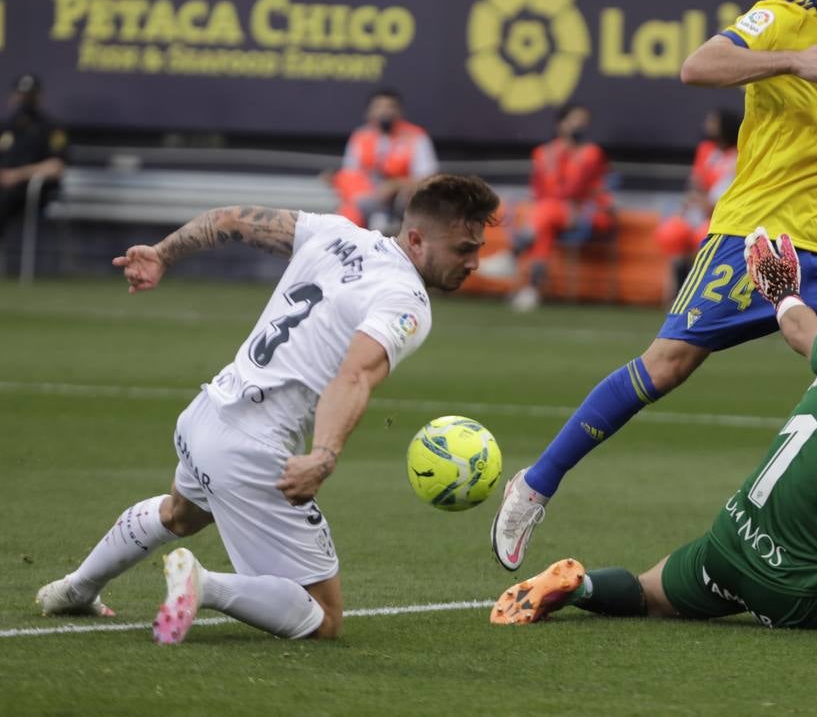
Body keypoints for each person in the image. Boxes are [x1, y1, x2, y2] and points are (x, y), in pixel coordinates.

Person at [491, 0, 817, 571]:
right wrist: (790, 62)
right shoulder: (781, 18)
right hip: (753, 235)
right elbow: (697, 65)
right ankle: (535, 484)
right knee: (667, 365)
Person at [490, 232, 817, 649]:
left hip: (726, 544)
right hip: (797, 591)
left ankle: (576, 587)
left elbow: (799, 327)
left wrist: (781, 289)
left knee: (646, 595)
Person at [34, 175, 499, 644]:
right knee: (325, 616)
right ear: (417, 239)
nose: (474, 262)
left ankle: (75, 589)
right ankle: (202, 583)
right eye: (463, 249)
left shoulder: (336, 231)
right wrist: (324, 454)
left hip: (208, 413)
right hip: (253, 450)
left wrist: (163, 253)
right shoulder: (405, 299)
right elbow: (354, 376)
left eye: (477, 248)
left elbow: (232, 220)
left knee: (181, 513)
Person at [478, 103, 615, 312]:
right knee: (544, 224)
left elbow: (576, 189)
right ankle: (531, 289)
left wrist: (558, 201)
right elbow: (539, 190)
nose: (580, 125)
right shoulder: (542, 153)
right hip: (553, 213)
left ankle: (514, 256)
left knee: (545, 214)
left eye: (584, 121)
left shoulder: (591, 153)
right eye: (575, 120)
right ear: (561, 124)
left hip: (587, 213)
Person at [653, 109, 741, 296]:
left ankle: (699, 291)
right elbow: (695, 183)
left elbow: (721, 198)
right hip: (697, 211)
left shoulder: (739, 155)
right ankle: (675, 292)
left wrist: (704, 201)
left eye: (714, 122)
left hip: (720, 217)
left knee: (703, 234)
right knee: (673, 230)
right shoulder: (705, 150)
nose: (709, 127)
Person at [331, 87, 438, 232]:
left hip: (402, 200)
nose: (385, 111)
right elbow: (350, 174)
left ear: (400, 112)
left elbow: (428, 176)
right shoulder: (361, 136)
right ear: (369, 112)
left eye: (390, 107)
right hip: (366, 198)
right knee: (348, 214)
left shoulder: (416, 136)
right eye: (379, 107)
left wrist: (395, 185)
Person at [0, 73, 67, 239]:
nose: (25, 100)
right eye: (22, 95)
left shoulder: (51, 128)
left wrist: (17, 175)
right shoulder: (6, 127)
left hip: (31, 190)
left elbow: (56, 167)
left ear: (39, 96)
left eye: (30, 95)